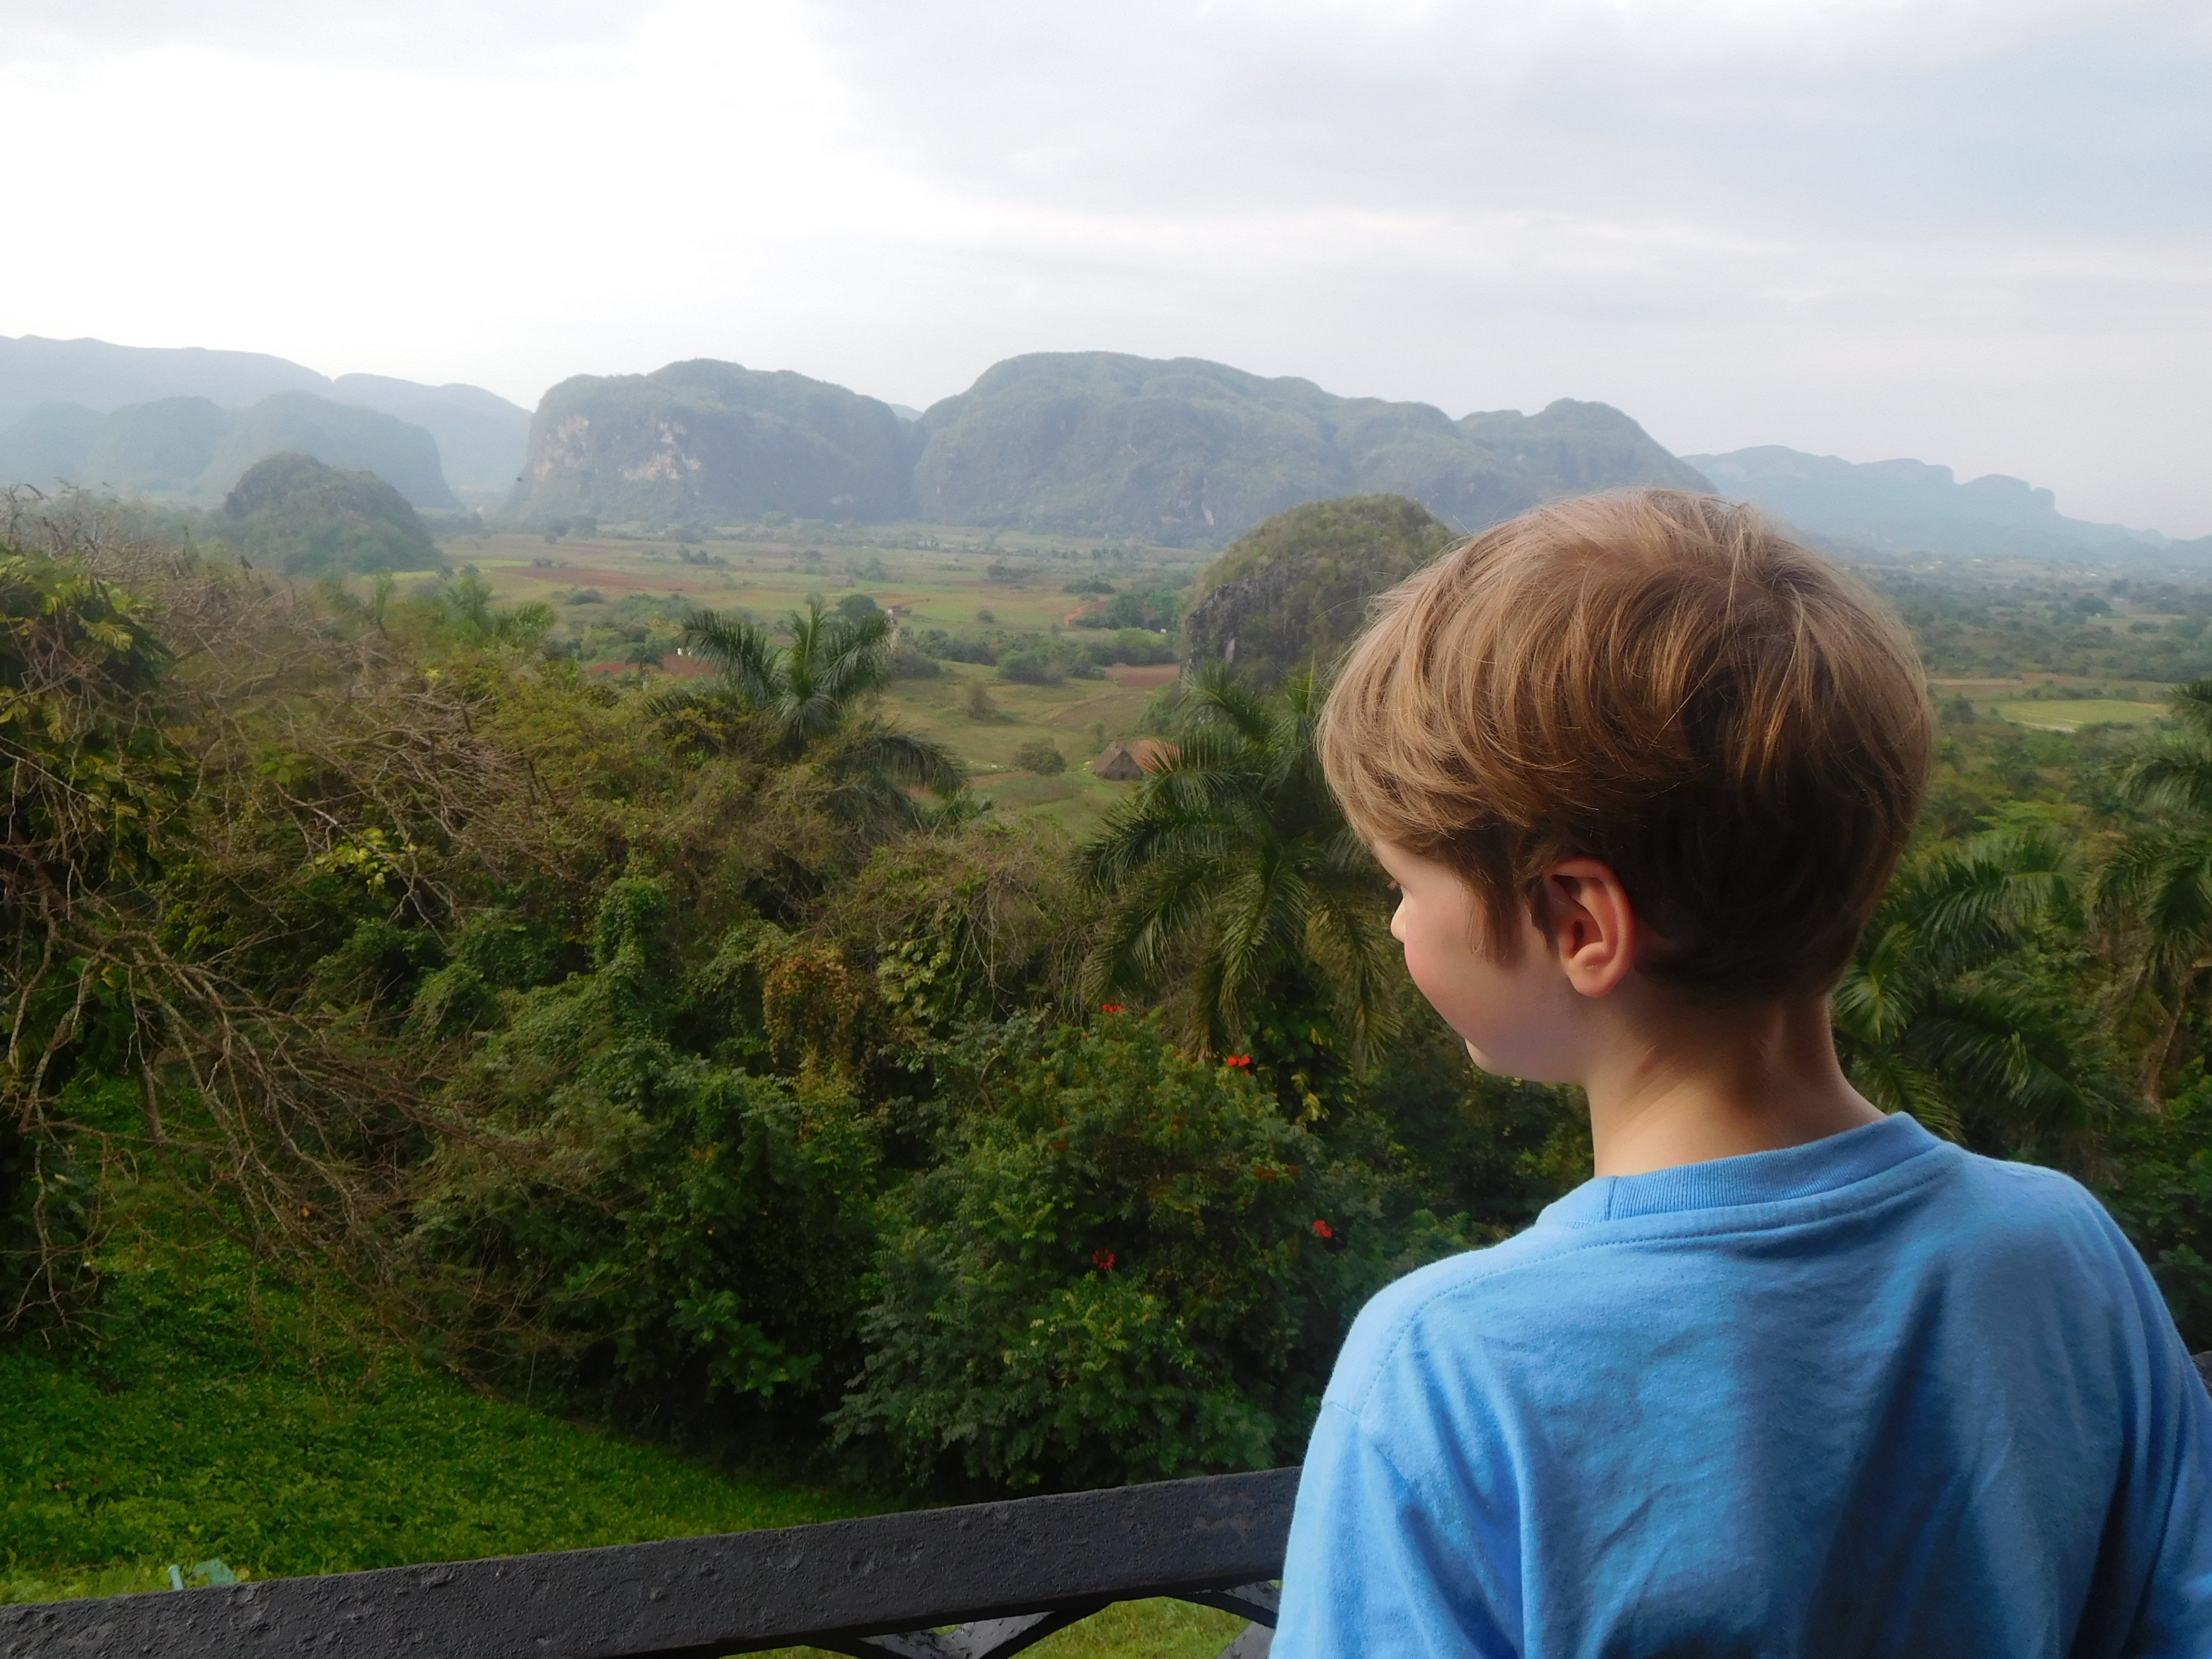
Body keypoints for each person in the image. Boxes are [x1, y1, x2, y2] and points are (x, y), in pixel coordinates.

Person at [1271, 491, 2212, 1658]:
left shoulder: (1453, 1371)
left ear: (1578, 922)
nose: (1398, 926)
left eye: (1407, 884)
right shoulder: (2064, 1256)